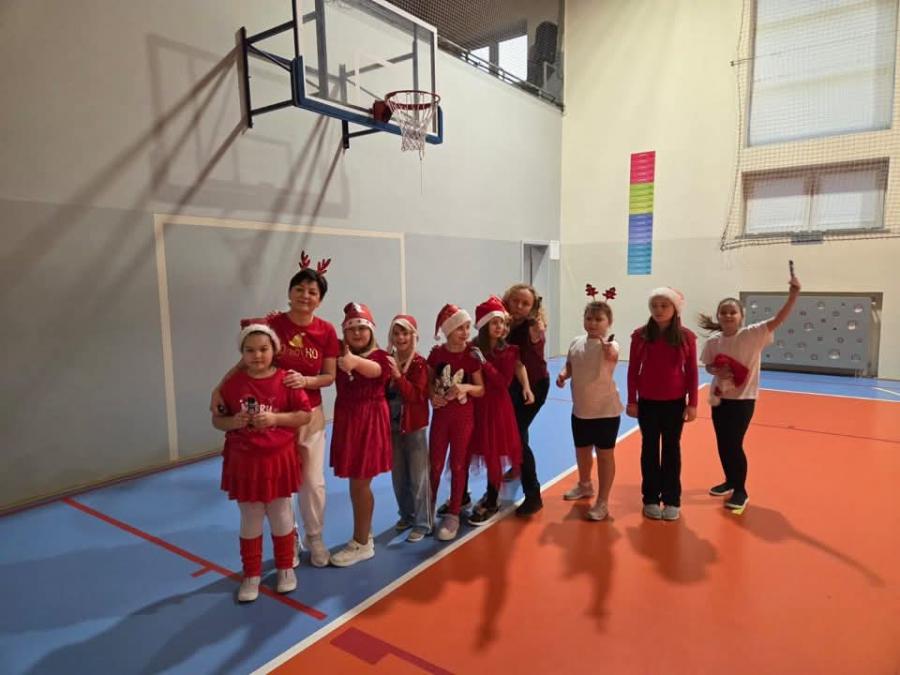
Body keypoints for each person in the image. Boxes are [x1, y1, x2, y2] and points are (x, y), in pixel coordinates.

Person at [211, 252, 338, 568]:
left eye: (312, 292)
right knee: (282, 485)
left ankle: (315, 537)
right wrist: (218, 388)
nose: (305, 296)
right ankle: (288, 539)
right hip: (273, 418)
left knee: (312, 482)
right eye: (300, 289)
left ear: (320, 300)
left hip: (309, 415)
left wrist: (305, 380)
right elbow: (246, 361)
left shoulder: (326, 331)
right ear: (290, 292)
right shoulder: (272, 325)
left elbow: (329, 376)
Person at [213, 323, 311, 602]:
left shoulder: (286, 380)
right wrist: (233, 422)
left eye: (263, 349)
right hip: (244, 460)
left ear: (274, 350)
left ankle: (285, 568)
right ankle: (251, 573)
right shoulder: (231, 385)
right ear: (241, 353)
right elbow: (217, 420)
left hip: (277, 458)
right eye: (250, 350)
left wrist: (275, 418)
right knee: (251, 516)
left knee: (281, 512)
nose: (257, 355)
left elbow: (304, 414)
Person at [699, 272, 802, 513]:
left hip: (743, 400)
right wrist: (715, 370)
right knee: (723, 444)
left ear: (741, 316)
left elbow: (778, 319)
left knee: (734, 444)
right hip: (719, 399)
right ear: (718, 316)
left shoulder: (753, 334)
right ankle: (730, 481)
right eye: (724, 312)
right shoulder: (713, 342)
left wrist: (793, 295)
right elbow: (708, 365)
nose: (728, 315)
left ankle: (741, 490)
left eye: (732, 312)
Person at [329, 303, 393, 566]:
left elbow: (376, 370)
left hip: (369, 422)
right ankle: (365, 532)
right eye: (351, 328)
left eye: (362, 328)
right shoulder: (337, 352)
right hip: (348, 420)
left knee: (359, 484)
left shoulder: (380, 357)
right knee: (355, 483)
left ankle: (362, 543)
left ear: (371, 331)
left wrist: (354, 362)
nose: (356, 333)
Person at [626, 287, 698, 521]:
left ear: (674, 308)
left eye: (664, 305)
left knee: (671, 450)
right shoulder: (640, 335)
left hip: (674, 403)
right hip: (647, 402)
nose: (658, 310)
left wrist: (692, 403)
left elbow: (692, 372)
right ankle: (650, 498)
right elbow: (632, 370)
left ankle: (672, 499)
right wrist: (632, 400)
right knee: (649, 449)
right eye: (654, 305)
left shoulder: (686, 337)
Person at [556, 288, 623, 521]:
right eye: (589, 318)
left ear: (608, 322)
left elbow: (612, 356)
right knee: (582, 451)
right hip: (580, 410)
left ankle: (603, 501)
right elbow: (570, 364)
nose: (593, 323)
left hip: (606, 412)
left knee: (604, 456)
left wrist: (607, 348)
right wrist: (564, 374)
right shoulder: (576, 342)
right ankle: (585, 485)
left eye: (598, 319)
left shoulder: (611, 345)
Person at [467, 296, 533, 526]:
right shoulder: (473, 347)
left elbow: (502, 382)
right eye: (494, 322)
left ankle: (493, 499)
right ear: (484, 325)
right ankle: (463, 497)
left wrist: (484, 362)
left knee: (493, 453)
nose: (500, 327)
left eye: (503, 323)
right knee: (473, 450)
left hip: (496, 407)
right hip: (476, 405)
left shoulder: (508, 351)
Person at [428, 304, 484, 541]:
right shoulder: (437, 354)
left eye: (468, 327)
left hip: (463, 418)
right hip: (441, 417)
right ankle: (427, 509)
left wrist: (465, 387)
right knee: (435, 464)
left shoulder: (471, 355)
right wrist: (432, 395)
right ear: (447, 330)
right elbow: (429, 382)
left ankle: (453, 513)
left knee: (459, 464)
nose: (465, 332)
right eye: (460, 328)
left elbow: (481, 389)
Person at [502, 283, 550, 516]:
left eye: (525, 303)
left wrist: (537, 330)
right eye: (515, 301)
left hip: (535, 386)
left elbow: (536, 334)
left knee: (517, 437)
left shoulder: (533, 326)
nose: (519, 306)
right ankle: (515, 467)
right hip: (513, 385)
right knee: (519, 430)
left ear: (533, 308)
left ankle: (533, 495)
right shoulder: (503, 323)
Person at [385, 314, 432, 542]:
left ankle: (423, 522)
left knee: (418, 477)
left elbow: (416, 396)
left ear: (414, 336)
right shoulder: (386, 360)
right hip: (392, 427)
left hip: (414, 426)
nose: (401, 337)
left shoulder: (420, 364)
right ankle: (406, 514)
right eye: (396, 333)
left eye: (405, 333)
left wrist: (398, 376)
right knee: (398, 475)